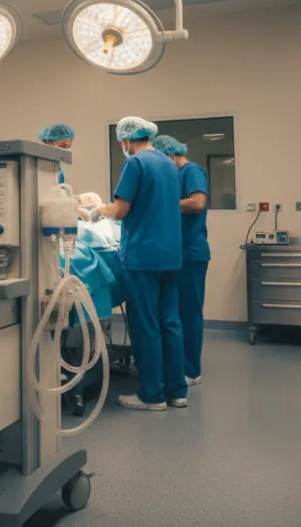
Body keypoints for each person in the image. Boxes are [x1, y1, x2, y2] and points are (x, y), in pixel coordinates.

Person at [96, 117, 186, 411]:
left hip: (143, 257)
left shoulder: (135, 164)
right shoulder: (168, 163)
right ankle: (176, 391)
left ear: (126, 140)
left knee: (145, 324)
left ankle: (152, 395)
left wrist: (97, 211)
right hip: (171, 255)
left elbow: (121, 210)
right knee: (170, 322)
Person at [152, 135, 209, 387]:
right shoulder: (175, 175)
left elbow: (197, 203)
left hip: (192, 253)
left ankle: (191, 370)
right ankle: (175, 364)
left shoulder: (191, 170)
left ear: (171, 155)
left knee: (189, 312)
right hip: (177, 253)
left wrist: (162, 205)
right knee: (175, 312)